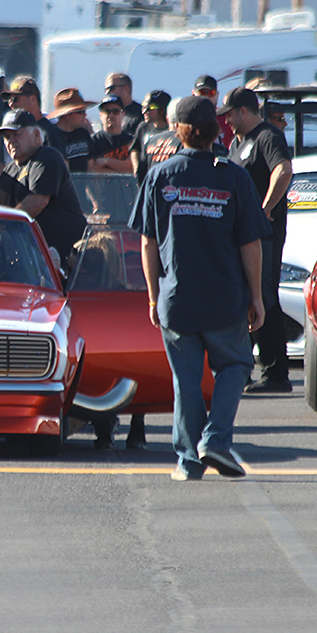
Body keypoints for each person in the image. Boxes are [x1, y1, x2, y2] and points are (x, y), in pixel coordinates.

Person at [129, 95, 272, 480]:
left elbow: (147, 241)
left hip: (177, 296)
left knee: (186, 381)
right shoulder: (234, 175)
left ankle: (189, 461)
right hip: (223, 295)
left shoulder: (160, 175)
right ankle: (215, 441)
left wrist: (152, 295)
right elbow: (251, 243)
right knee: (237, 364)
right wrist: (256, 296)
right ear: (215, 131)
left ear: (179, 130)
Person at [219, 86, 293, 394]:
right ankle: (242, 367)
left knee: (263, 296)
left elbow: (284, 170)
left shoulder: (267, 136)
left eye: (230, 115)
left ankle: (276, 373)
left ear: (244, 111)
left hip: (263, 236)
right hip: (243, 235)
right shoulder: (239, 142)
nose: (227, 122)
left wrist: (265, 208)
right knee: (246, 297)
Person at [0, 109, 87, 265]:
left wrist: (4, 225)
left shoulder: (47, 157)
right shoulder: (9, 171)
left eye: (17, 134)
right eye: (7, 137)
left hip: (68, 259)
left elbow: (37, 202)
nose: (11, 141)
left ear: (36, 136)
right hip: (34, 259)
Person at [0, 77, 67, 160]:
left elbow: (61, 167)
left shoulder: (50, 132)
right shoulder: (18, 130)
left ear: (32, 100)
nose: (11, 104)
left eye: (15, 99)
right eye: (9, 100)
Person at [49, 88, 97, 173]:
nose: (85, 115)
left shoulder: (83, 134)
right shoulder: (52, 136)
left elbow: (91, 168)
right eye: (81, 112)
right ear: (67, 114)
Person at [130, 90, 171, 184]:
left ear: (162, 110)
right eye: (143, 107)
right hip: (146, 181)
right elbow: (135, 149)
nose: (144, 111)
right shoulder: (143, 128)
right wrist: (137, 169)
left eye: (149, 108)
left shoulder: (172, 131)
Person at [90, 95, 134, 174]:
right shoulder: (93, 141)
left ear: (123, 114)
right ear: (100, 115)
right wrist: (121, 172)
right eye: (106, 111)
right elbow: (92, 169)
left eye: (115, 111)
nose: (111, 115)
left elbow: (132, 167)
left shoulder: (132, 140)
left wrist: (107, 162)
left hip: (127, 186)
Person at [193, 75, 235, 147]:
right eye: (202, 93)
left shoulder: (226, 118)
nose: (206, 96)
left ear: (217, 95)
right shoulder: (188, 118)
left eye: (211, 93)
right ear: (193, 94)